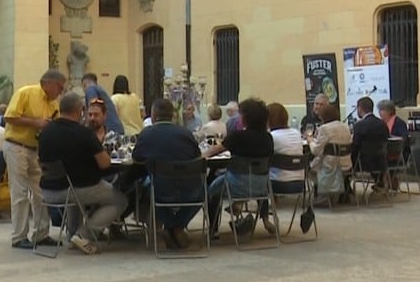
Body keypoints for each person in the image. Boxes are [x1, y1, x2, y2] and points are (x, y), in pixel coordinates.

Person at [38, 92, 128, 254]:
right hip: (74, 189)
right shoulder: (83, 133)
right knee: (120, 200)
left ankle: (73, 233)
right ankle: (83, 234)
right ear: (80, 110)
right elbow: (105, 163)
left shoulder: (46, 131)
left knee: (76, 190)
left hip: (48, 191)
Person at [4, 69, 66, 249]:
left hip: (36, 148)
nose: (60, 92)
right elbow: (10, 117)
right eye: (59, 87)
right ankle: (18, 236)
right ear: (49, 83)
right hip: (17, 145)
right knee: (20, 192)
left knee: (40, 192)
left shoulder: (54, 104)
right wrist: (36, 123)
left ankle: (41, 233)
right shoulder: (26, 93)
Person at [132, 98, 204, 249]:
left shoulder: (146, 134)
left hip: (161, 188)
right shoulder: (186, 133)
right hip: (190, 189)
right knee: (202, 193)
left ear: (153, 115)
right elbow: (198, 158)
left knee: (148, 189)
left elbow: (136, 158)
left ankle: (171, 225)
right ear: (172, 115)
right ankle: (178, 227)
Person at [204, 98, 275, 237]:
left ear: (245, 118)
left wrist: (202, 154)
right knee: (257, 175)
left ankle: (213, 229)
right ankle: (264, 218)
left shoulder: (237, 136)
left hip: (236, 185)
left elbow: (212, 152)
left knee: (211, 186)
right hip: (260, 186)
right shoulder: (268, 138)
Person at [266, 102, 308, 234]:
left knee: (259, 179)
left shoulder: (272, 137)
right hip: (300, 184)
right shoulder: (296, 134)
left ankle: (265, 218)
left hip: (278, 184)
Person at [310, 103, 353, 203]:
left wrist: (310, 141)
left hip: (331, 165)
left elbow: (315, 150)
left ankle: (323, 193)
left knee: (309, 168)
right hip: (346, 163)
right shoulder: (345, 127)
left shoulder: (324, 128)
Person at [350, 97, 389, 182]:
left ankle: (346, 188)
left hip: (363, 163)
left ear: (360, 108)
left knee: (343, 159)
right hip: (382, 161)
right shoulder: (382, 124)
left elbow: (355, 146)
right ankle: (379, 183)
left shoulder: (359, 125)